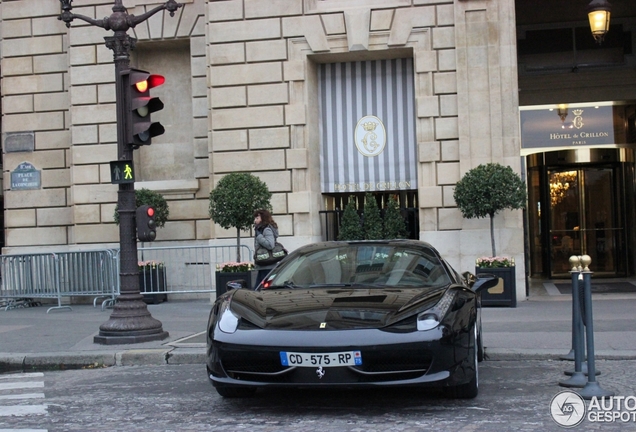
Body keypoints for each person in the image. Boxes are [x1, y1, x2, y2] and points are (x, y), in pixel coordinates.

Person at [253, 209, 279, 289]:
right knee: (258, 289)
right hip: (263, 264)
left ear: (263, 218)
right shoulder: (261, 229)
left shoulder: (266, 229)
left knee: (259, 289)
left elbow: (270, 245)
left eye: (257, 218)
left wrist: (259, 236)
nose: (255, 220)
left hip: (267, 264)